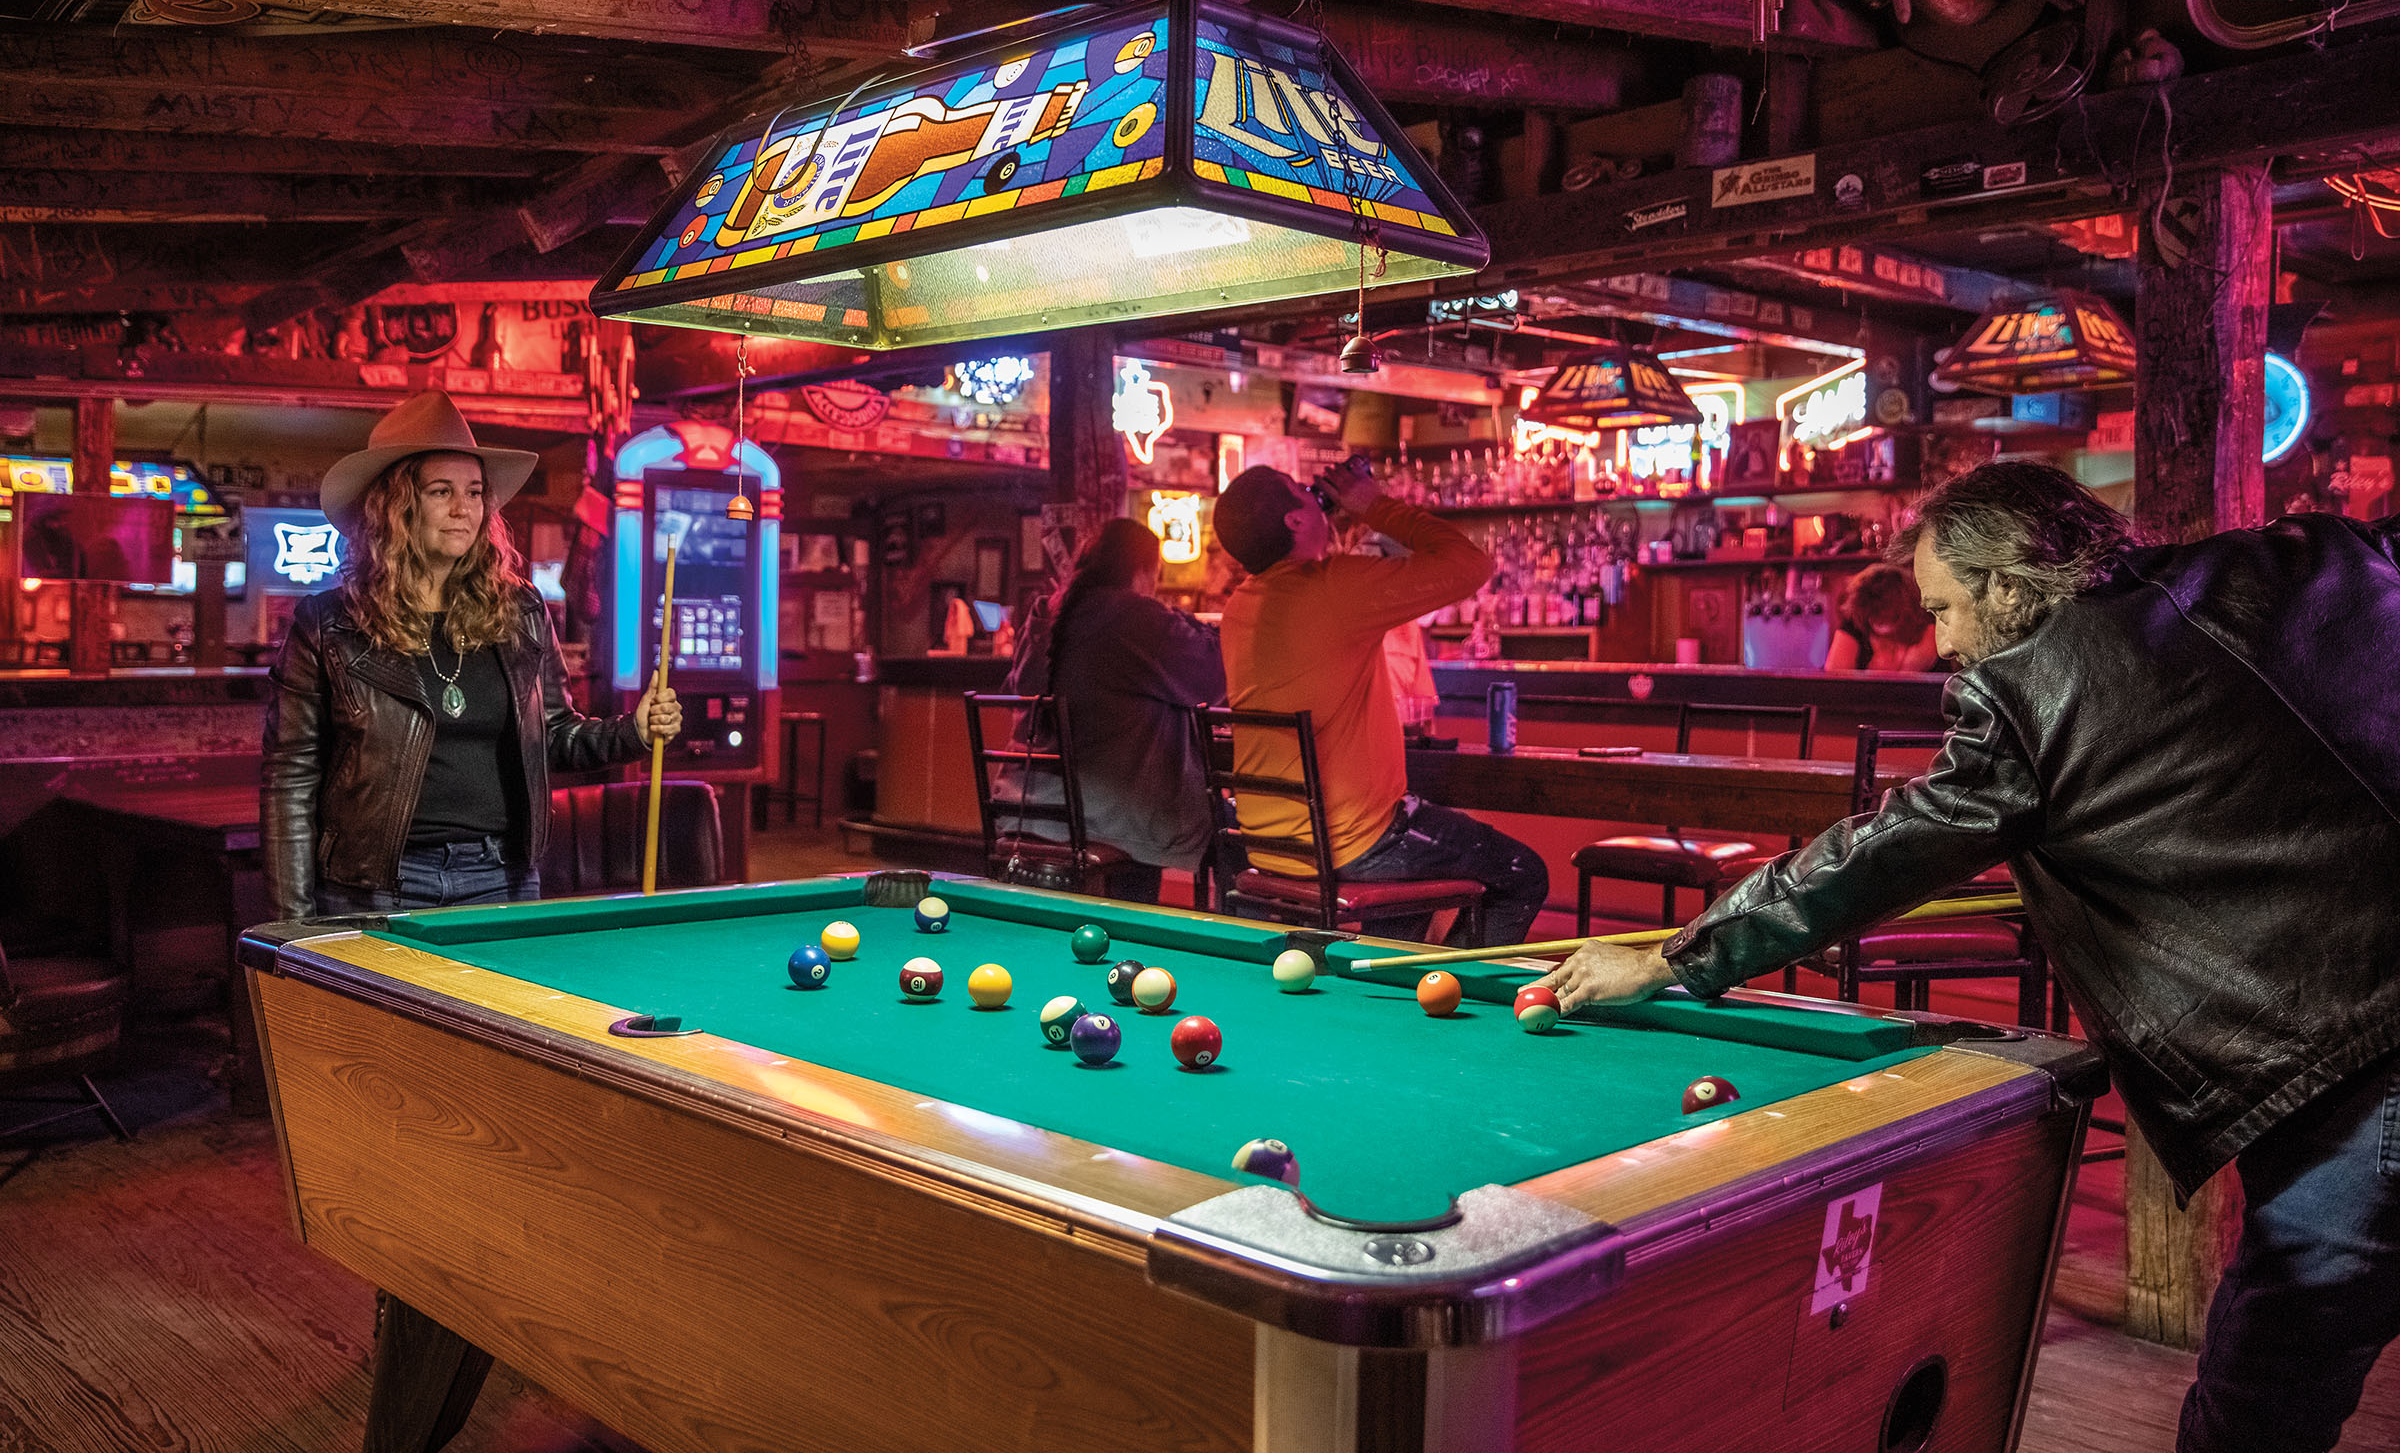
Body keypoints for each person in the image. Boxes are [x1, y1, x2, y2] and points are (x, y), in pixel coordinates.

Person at [1536, 460, 2400, 1453]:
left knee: (2256, 1414)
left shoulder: (2029, 691)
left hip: (2360, 1072)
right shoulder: (2313, 553)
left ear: (2003, 582)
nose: (1939, 641)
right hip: (2359, 1057)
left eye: (1944, 607)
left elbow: (1873, 856)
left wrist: (1673, 957)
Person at [262, 392, 682, 922]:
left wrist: (633, 732)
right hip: (378, 885)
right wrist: (291, 927)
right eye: (442, 491)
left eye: (475, 492)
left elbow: (553, 735)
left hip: (502, 877)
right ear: (396, 506)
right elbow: (290, 780)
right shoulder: (328, 625)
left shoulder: (520, 610)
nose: (466, 508)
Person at [1211, 462, 1548, 946]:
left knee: (1409, 867)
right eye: (1301, 491)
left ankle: (1394, 977)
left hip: (1265, 840)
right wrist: (1371, 505)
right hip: (1350, 842)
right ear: (1295, 521)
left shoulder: (1241, 604)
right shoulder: (1335, 587)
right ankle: (1453, 990)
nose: (1313, 495)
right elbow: (1471, 564)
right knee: (1521, 871)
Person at [1002, 518, 1227, 904]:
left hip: (1026, 809)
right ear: (1144, 570)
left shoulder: (1047, 612)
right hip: (1112, 819)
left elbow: (1016, 690)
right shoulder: (1136, 617)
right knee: (1231, 832)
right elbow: (1215, 678)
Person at [1823, 561, 1939, 671]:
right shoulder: (1854, 627)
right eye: (1874, 611)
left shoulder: (1926, 629)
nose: (1881, 614)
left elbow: (1909, 684)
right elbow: (1835, 681)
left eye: (1887, 608)